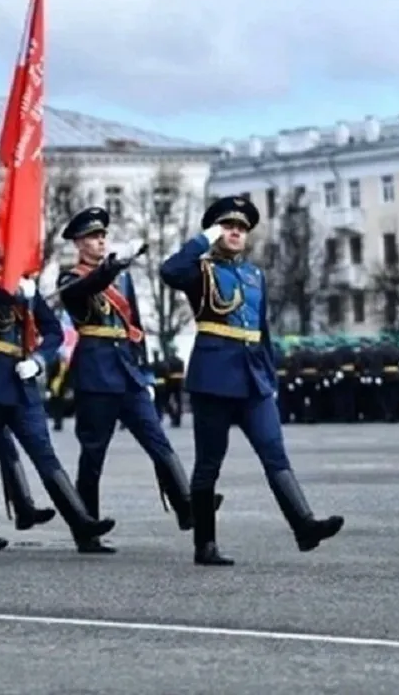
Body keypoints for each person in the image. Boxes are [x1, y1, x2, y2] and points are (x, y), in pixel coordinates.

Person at [159, 196, 344, 565]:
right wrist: (201, 240)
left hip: (253, 380)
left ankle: (304, 526)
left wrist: (269, 376)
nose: (236, 233)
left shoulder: (254, 274)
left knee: (274, 452)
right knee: (209, 464)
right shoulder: (200, 270)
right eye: (229, 227)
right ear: (215, 231)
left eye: (242, 229)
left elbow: (262, 331)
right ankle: (205, 546)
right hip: (213, 378)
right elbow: (169, 271)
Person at [58, 206, 211, 553]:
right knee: (93, 453)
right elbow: (90, 286)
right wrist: (113, 265)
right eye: (93, 237)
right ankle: (87, 528)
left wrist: (144, 371)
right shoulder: (70, 278)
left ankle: (185, 505)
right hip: (96, 372)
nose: (100, 241)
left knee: (157, 438)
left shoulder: (121, 278)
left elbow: (134, 325)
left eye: (102, 236)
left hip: (127, 371)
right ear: (79, 244)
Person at [0, 212, 116, 551]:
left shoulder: (26, 285)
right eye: (2, 237)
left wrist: (39, 360)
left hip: (23, 383)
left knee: (45, 454)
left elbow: (53, 331)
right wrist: (13, 291)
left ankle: (82, 522)